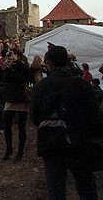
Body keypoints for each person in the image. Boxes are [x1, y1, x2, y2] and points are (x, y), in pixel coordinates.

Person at [31, 46, 103, 200]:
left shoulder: (41, 87)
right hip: (80, 141)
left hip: (53, 143)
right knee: (86, 187)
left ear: (49, 64)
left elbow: (35, 118)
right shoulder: (82, 85)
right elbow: (95, 114)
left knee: (56, 190)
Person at [1, 48, 31, 162]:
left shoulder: (23, 66)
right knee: (7, 125)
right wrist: (8, 68)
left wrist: (16, 63)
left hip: (20, 97)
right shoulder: (10, 67)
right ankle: (9, 149)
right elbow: (5, 79)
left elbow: (25, 77)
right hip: (11, 97)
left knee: (21, 127)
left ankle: (20, 151)